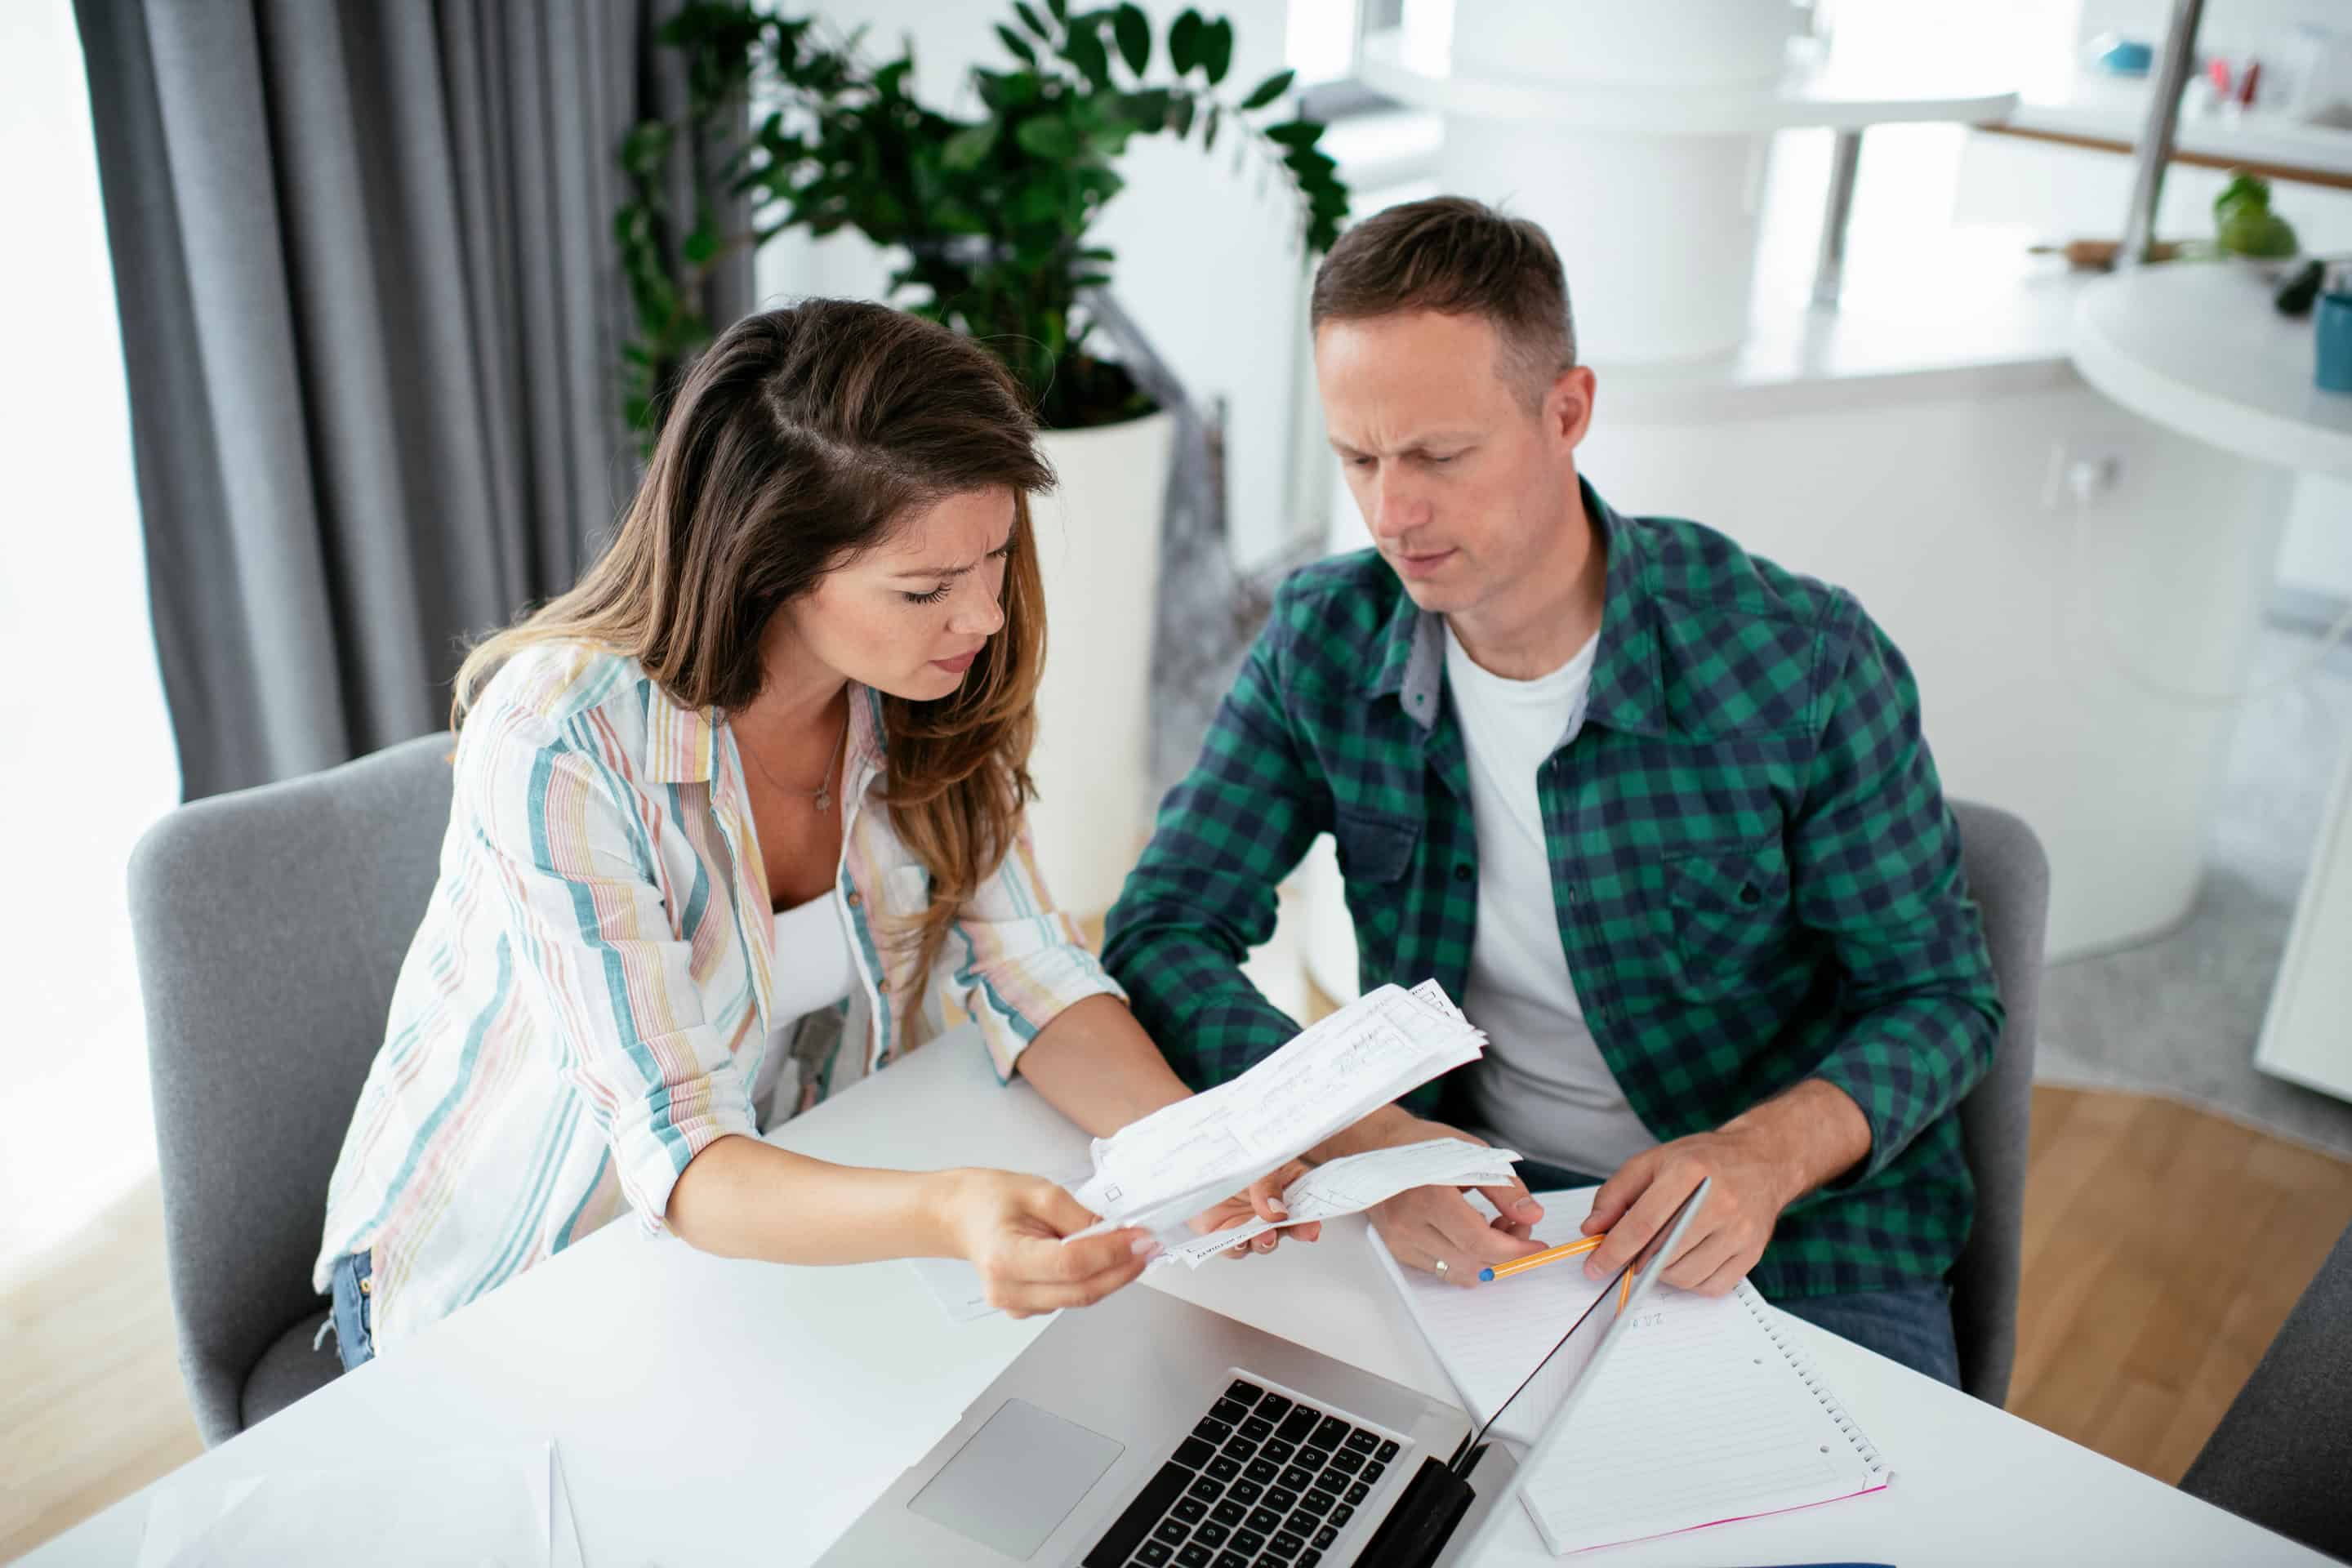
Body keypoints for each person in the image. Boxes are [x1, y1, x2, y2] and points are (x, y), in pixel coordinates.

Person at [1102, 198, 2002, 1386]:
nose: (1391, 514)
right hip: (1487, 1209)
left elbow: (1940, 998)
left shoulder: (1799, 661)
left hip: (1798, 1229)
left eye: (1438, 455)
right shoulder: (1324, 637)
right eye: (1359, 458)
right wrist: (1362, 1135)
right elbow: (1164, 926)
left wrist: (1763, 1157)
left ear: (1567, 410)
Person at [314, 301, 1308, 1365]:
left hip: (749, 1244)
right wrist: (949, 1212)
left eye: (995, 560)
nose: (982, 617)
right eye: (925, 588)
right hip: (505, 1281)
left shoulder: (925, 687)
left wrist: (1192, 1144)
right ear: (770, 566)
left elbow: (1031, 968)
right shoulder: (561, 741)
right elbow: (681, 1148)